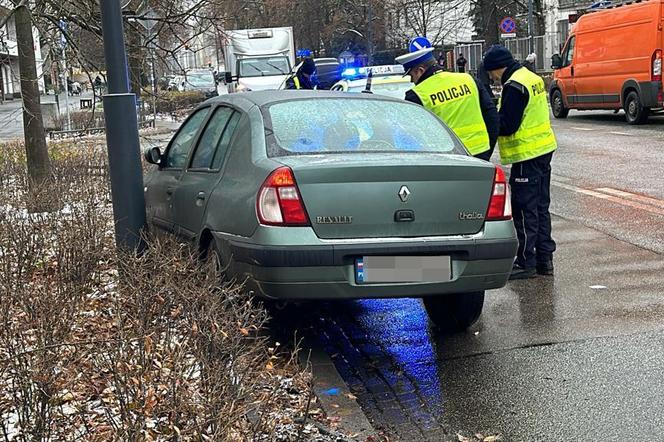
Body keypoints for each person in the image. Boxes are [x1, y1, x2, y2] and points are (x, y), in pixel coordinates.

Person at [482, 45, 557, 280]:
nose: (492, 78)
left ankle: (526, 261)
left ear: (498, 68)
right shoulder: (530, 77)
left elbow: (508, 125)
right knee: (541, 207)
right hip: (543, 149)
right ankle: (545, 259)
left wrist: (490, 117)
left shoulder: (514, 86)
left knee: (524, 210)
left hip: (527, 154)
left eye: (491, 73)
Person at [396, 38, 499, 161]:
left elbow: (411, 136)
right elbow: (492, 117)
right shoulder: (468, 79)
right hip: (480, 155)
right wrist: (486, 152)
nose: (412, 81)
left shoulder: (417, 95)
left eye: (411, 75)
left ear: (420, 70)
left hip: (445, 161)